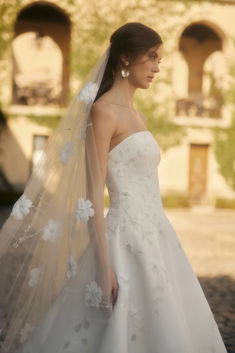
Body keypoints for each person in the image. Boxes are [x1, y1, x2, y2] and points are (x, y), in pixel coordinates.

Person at [0, 22, 228, 353]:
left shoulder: (140, 118)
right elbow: (94, 194)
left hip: (158, 236)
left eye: (159, 59)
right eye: (151, 57)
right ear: (125, 58)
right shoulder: (103, 111)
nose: (157, 67)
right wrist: (103, 266)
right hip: (123, 239)